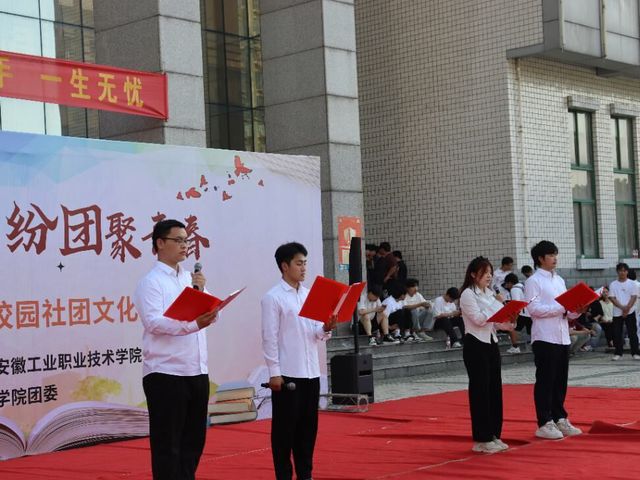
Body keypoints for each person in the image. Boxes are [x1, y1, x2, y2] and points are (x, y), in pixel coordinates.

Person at [133, 219, 219, 480]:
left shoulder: (191, 279)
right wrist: (193, 324)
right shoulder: (151, 282)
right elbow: (154, 322)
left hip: (196, 371)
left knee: (194, 442)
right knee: (168, 445)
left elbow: (213, 313)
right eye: (178, 240)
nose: (184, 245)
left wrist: (204, 295)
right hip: (166, 373)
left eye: (186, 240)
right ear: (160, 243)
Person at [261, 242, 337, 480]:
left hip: (311, 372)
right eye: (298, 263)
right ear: (285, 266)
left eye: (305, 263)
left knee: (308, 429)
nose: (304, 268)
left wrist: (326, 327)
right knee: (285, 431)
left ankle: (306, 474)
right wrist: (274, 372)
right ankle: (283, 475)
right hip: (288, 374)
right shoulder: (273, 298)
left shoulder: (309, 295)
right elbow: (269, 338)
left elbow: (316, 333)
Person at [524, 240, 583, 440]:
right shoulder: (533, 281)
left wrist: (577, 310)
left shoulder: (559, 280)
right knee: (546, 380)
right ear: (540, 258)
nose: (555, 258)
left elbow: (567, 310)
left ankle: (560, 417)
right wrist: (562, 308)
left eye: (555, 254)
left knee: (560, 381)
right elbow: (533, 309)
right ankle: (544, 422)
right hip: (545, 336)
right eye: (550, 255)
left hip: (562, 336)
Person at [460, 256, 515, 453]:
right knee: (480, 391)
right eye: (485, 273)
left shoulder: (490, 293)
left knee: (494, 390)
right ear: (473, 274)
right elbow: (478, 319)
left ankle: (494, 434)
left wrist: (509, 320)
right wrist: (496, 305)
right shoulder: (468, 294)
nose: (489, 276)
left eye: (490, 273)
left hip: (491, 342)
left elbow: (496, 322)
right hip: (475, 344)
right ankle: (481, 438)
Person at [608, 263, 640, 361]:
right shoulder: (613, 284)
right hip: (617, 312)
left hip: (630, 311)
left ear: (627, 272)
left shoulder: (632, 284)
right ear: (617, 271)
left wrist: (627, 308)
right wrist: (622, 307)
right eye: (620, 270)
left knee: (632, 333)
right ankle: (618, 353)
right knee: (617, 333)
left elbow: (634, 296)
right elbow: (612, 298)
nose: (622, 272)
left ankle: (635, 353)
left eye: (624, 270)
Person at [502, 273, 523, 354]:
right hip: (527, 312)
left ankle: (515, 347)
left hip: (521, 313)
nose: (507, 286)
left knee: (511, 328)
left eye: (507, 284)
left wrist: (514, 317)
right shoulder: (521, 286)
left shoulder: (514, 289)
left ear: (510, 282)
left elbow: (516, 304)